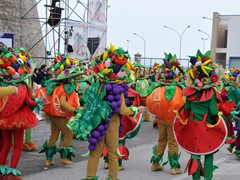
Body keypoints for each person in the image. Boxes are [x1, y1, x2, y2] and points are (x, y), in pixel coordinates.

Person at [70, 44, 145, 180]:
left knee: (94, 154)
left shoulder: (97, 86)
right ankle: (112, 178)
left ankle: (90, 177)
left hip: (98, 124)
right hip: (112, 125)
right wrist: (136, 109)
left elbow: (88, 102)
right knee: (112, 154)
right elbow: (122, 109)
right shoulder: (118, 89)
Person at [173, 50, 228, 180]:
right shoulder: (212, 93)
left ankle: (195, 178)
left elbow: (186, 108)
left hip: (193, 126)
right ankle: (208, 178)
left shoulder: (190, 92)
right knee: (209, 154)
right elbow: (214, 112)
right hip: (206, 127)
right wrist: (218, 117)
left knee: (195, 154)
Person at [36, 54, 82, 167]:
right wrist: (75, 110)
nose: (73, 79)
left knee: (54, 135)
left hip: (53, 114)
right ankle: (64, 157)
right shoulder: (62, 88)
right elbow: (63, 104)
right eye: (71, 76)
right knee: (68, 133)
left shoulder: (58, 86)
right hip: (58, 115)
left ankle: (49, 159)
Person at [0, 47, 39, 179]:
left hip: (3, 119)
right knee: (17, 147)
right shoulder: (22, 87)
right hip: (18, 119)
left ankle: (0, 170)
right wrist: (37, 102)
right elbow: (30, 102)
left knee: (5, 145)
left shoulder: (4, 86)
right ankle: (11, 172)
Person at [146, 53, 185, 175]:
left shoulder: (157, 89)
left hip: (160, 118)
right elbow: (183, 106)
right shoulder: (178, 89)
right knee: (172, 142)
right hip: (172, 119)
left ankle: (156, 163)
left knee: (161, 140)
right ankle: (174, 167)